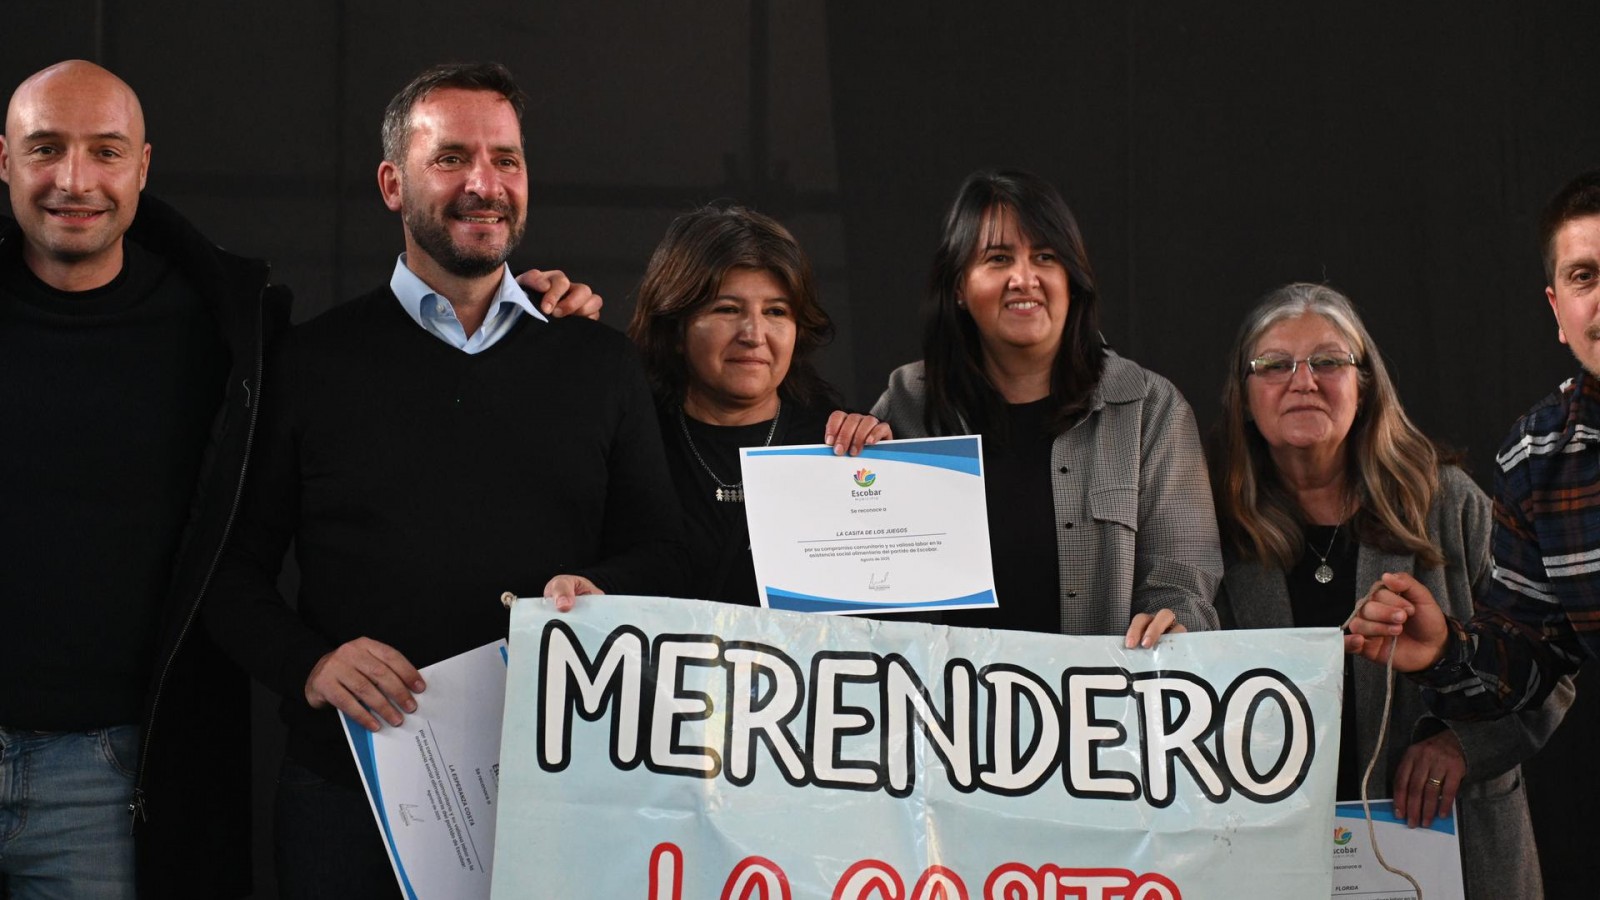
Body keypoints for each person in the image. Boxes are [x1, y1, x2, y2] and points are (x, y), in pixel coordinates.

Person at [202, 62, 686, 898]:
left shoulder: (599, 362)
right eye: (452, 158)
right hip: (349, 797)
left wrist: (602, 589)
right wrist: (311, 665)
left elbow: (664, 551)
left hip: (558, 790)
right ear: (393, 183)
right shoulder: (310, 363)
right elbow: (226, 571)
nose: (484, 184)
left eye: (506, 159)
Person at [0, 60, 286, 898]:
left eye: (106, 151)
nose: (75, 180)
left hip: (109, 779)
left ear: (144, 167)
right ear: (5, 161)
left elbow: (378, 395)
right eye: (46, 148)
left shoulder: (235, 335)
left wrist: (517, 312)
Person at [1211, 283, 1570, 899]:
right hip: (1270, 861)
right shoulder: (1210, 526)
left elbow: (1553, 667)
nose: (1303, 381)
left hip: (1446, 850)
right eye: (1274, 364)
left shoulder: (1451, 504)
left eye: (1329, 361)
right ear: (1245, 398)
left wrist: (1466, 744)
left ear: (1365, 385)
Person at [870, 169, 1220, 645]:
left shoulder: (1149, 408)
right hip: (943, 710)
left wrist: (1173, 620)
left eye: (1045, 257)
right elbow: (859, 581)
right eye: (998, 259)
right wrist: (848, 448)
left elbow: (1184, 577)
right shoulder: (908, 404)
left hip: (1101, 709)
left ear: (1071, 279)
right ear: (958, 287)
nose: (1024, 279)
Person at [1349, 170, 1600, 716]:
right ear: (1559, 312)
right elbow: (1535, 649)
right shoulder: (1538, 452)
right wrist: (1445, 650)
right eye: (1585, 276)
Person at [627, 203, 887, 605]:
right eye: (728, 309)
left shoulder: (838, 447)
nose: (754, 334)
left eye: (776, 312)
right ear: (676, 328)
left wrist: (892, 474)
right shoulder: (630, 443)